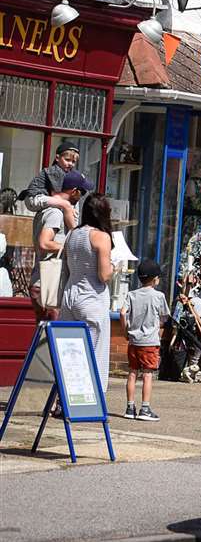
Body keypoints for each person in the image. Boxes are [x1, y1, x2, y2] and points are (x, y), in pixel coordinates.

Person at [59, 191, 116, 392]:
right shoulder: (101, 236)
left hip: (70, 295)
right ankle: (93, 399)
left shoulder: (72, 234)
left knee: (69, 353)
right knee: (95, 353)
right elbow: (104, 275)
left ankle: (62, 400)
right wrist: (113, 267)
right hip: (91, 298)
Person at [30, 170, 89, 321]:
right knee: (53, 334)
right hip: (48, 283)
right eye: (82, 192)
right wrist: (69, 246)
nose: (82, 196)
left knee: (45, 336)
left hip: (45, 281)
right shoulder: (55, 213)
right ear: (74, 191)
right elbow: (44, 243)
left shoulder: (55, 210)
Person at [123, 260, 167, 421]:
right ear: (155, 279)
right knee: (147, 374)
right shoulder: (159, 296)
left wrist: (125, 331)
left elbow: (122, 313)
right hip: (150, 342)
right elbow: (164, 318)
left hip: (133, 341)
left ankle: (129, 407)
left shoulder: (131, 294)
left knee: (132, 373)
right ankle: (145, 409)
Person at [19, 140, 82, 222]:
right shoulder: (56, 171)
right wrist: (69, 208)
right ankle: (73, 229)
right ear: (57, 158)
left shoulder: (66, 173)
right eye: (67, 160)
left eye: (73, 161)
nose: (70, 164)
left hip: (45, 198)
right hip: (34, 197)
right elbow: (56, 194)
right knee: (66, 204)